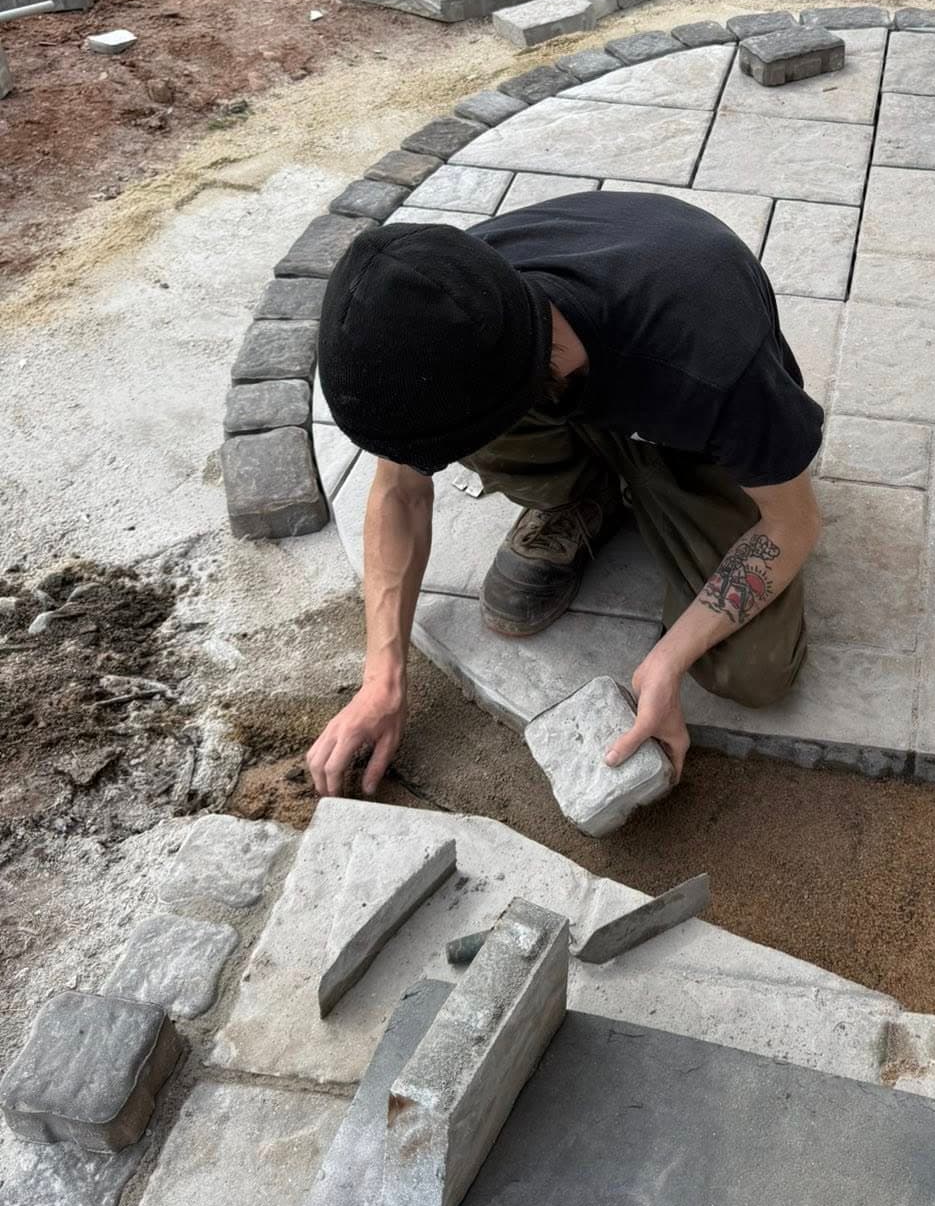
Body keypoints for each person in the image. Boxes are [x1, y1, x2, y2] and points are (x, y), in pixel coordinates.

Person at [304, 189, 824, 797]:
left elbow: (793, 523)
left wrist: (666, 662)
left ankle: (647, 484)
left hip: (684, 416)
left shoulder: (711, 356)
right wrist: (382, 678)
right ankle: (592, 493)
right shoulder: (445, 315)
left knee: (755, 671)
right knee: (450, 423)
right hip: (549, 375)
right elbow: (399, 491)